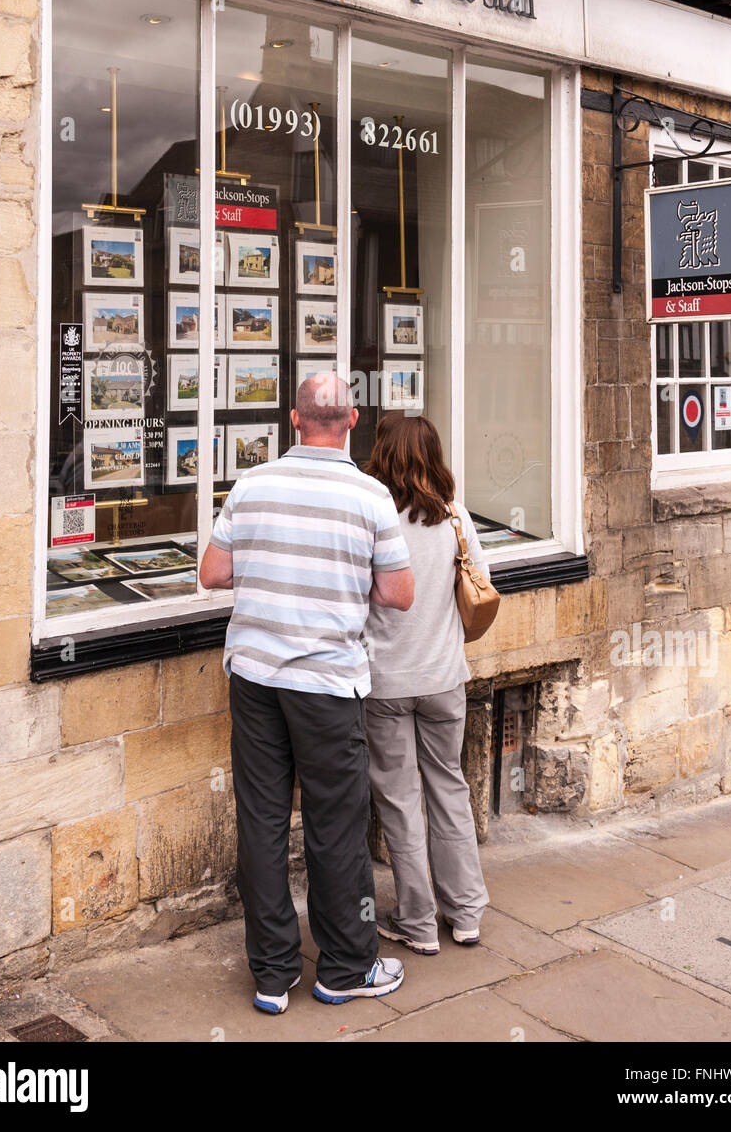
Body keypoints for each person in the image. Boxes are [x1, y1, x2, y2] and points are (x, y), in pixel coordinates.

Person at [199, 375, 415, 1014]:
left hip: (257, 678)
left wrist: (267, 565)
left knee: (261, 822)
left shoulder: (253, 485)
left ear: (295, 419)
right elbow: (400, 593)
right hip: (325, 681)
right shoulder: (370, 496)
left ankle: (272, 974)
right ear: (351, 419)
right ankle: (345, 967)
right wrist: (350, 580)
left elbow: (212, 573)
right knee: (335, 823)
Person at [364, 412, 490, 955]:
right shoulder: (455, 516)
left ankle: (417, 923)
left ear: (382, 457)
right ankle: (465, 915)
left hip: (386, 682)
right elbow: (481, 583)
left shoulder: (372, 519)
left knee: (399, 801)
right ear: (433, 455)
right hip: (443, 678)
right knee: (450, 791)